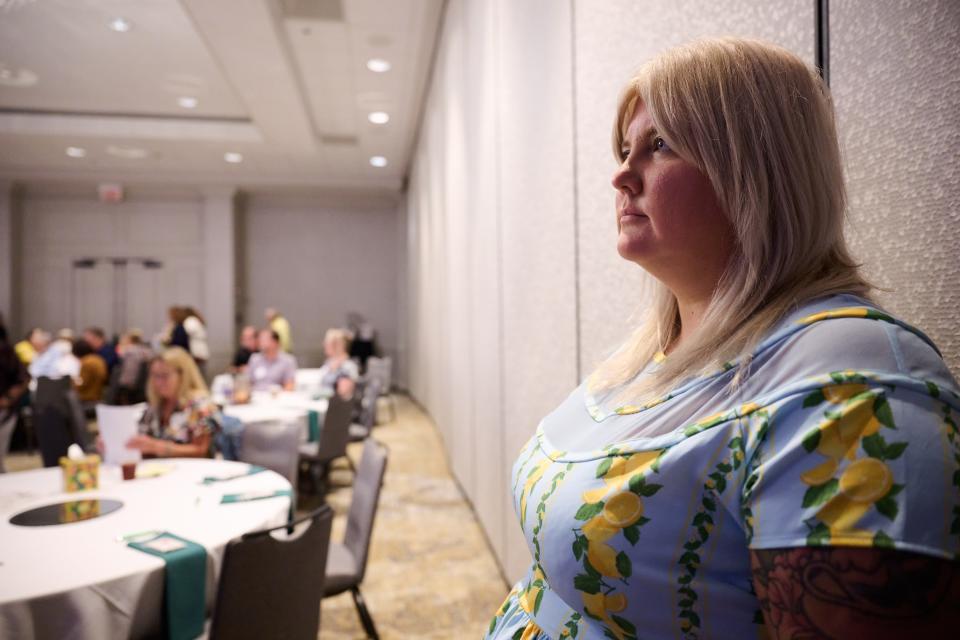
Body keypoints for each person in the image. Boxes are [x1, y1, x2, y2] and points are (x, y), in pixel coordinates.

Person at [485, 38, 960, 640]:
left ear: (757, 168)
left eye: (659, 146)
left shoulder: (852, 385)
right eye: (624, 148)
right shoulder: (649, 354)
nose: (621, 175)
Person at [100, 350, 219, 459]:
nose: (159, 382)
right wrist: (114, 444)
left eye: (164, 375)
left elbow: (201, 451)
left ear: (183, 375)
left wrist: (156, 446)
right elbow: (141, 443)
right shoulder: (154, 407)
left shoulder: (200, 406)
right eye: (155, 376)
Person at [317, 328, 359, 399]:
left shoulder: (348, 367)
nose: (324, 345)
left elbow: (344, 394)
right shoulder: (328, 363)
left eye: (327, 343)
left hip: (335, 406)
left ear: (338, 346)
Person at [116, 331, 153, 404]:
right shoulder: (147, 351)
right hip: (143, 388)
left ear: (129, 340)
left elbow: (126, 373)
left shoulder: (129, 351)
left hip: (128, 385)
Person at [73, 339, 107, 404]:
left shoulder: (87, 362)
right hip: (99, 394)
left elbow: (82, 384)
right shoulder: (98, 359)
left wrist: (72, 382)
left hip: (89, 398)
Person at [182, 306, 209, 372]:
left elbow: (187, 331)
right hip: (201, 348)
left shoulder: (190, 320)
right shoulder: (197, 320)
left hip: (196, 349)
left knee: (196, 371)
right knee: (200, 369)